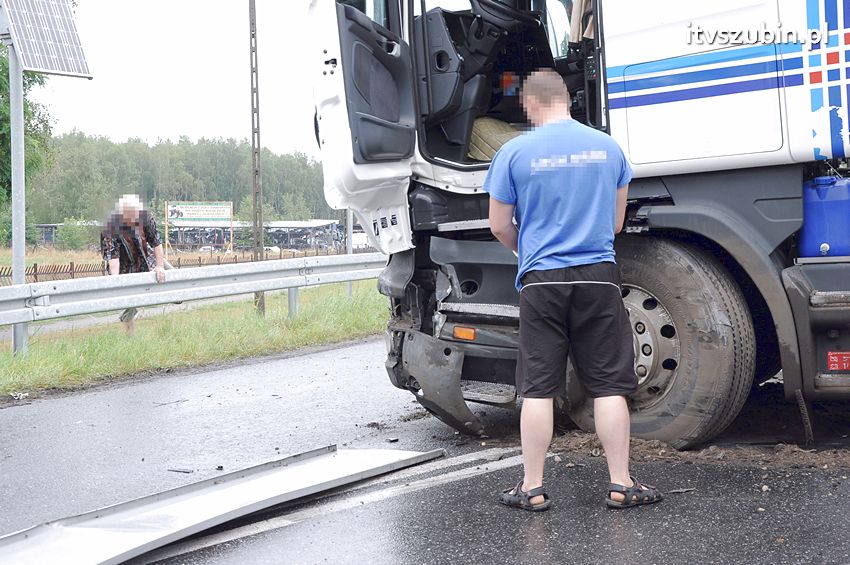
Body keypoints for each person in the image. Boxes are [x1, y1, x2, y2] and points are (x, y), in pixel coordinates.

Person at [486, 69, 662, 511]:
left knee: (539, 389)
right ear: (567, 99)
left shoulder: (513, 152)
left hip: (541, 281)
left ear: (530, 104)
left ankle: (532, 488)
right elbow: (616, 223)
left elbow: (499, 225)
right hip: (598, 277)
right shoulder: (608, 149)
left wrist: (526, 251)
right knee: (608, 387)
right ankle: (621, 483)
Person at [101, 194, 167, 335]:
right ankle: (129, 334)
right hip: (124, 264)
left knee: (162, 274)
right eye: (128, 216)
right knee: (130, 299)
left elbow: (156, 242)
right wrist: (116, 278)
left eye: (135, 215)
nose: (133, 220)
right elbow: (113, 255)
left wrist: (160, 265)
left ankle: (177, 294)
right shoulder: (110, 225)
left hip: (144, 257)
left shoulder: (146, 218)